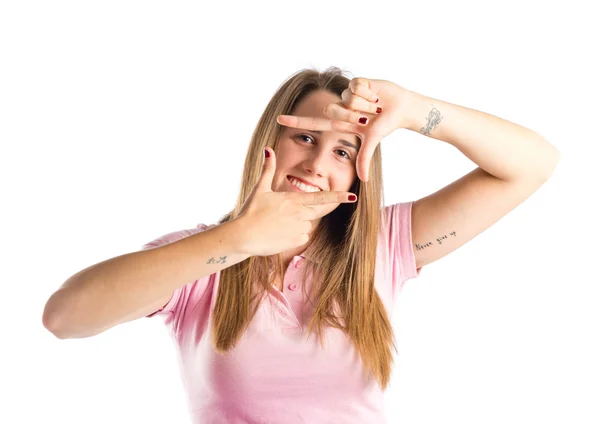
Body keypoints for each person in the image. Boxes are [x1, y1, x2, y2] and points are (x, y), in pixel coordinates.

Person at [42, 66, 560, 423]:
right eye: (306, 138)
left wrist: (416, 110)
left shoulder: (383, 247)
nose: (317, 165)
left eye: (343, 150)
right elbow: (65, 317)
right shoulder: (204, 260)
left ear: (360, 171)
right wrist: (237, 239)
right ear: (270, 138)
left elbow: (532, 165)